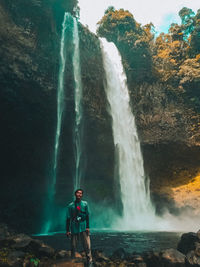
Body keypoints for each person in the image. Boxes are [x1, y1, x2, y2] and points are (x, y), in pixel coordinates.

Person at [66, 189, 93, 266]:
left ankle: (90, 262)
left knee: (87, 246)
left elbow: (87, 215)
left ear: (82, 195)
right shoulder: (70, 206)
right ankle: (72, 262)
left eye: (81, 193)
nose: (79, 194)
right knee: (73, 246)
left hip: (83, 227)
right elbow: (68, 218)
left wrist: (88, 227)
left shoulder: (85, 204)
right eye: (78, 193)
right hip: (74, 228)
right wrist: (67, 230)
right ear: (75, 194)